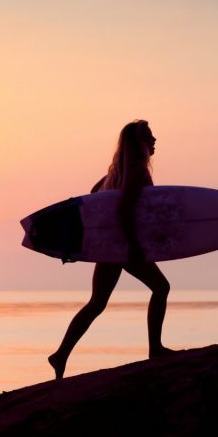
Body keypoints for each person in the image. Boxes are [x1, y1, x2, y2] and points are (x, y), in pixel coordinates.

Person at [47, 119, 173, 380]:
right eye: (149, 136)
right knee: (161, 288)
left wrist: (91, 245)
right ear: (139, 143)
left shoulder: (113, 174)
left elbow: (92, 201)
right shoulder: (136, 171)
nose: (154, 140)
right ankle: (155, 348)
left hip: (108, 247)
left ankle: (60, 355)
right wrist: (135, 245)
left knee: (97, 303)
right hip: (123, 246)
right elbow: (125, 210)